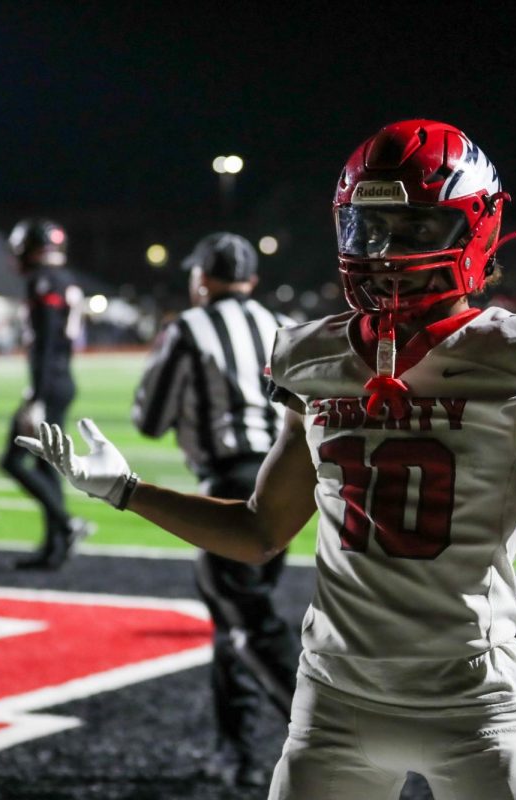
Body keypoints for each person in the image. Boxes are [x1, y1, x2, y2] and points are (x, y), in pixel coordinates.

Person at [19, 119, 516, 799]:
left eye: (413, 227)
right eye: (369, 226)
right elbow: (258, 532)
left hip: (473, 703)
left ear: (473, 229)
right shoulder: (312, 352)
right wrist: (126, 491)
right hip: (334, 701)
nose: (383, 251)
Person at [131, 232, 299, 788]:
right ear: (251, 279)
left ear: (201, 278)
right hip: (286, 481)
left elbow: (149, 419)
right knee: (236, 620)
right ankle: (238, 753)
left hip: (229, 480)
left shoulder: (188, 326)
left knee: (244, 619)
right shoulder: (277, 323)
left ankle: (326, 737)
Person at [0, 218, 92, 569]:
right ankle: (54, 546)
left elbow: (46, 342)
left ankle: (67, 524)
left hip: (49, 384)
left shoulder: (42, 281)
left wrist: (35, 396)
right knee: (45, 465)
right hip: (60, 379)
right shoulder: (66, 279)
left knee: (11, 460)